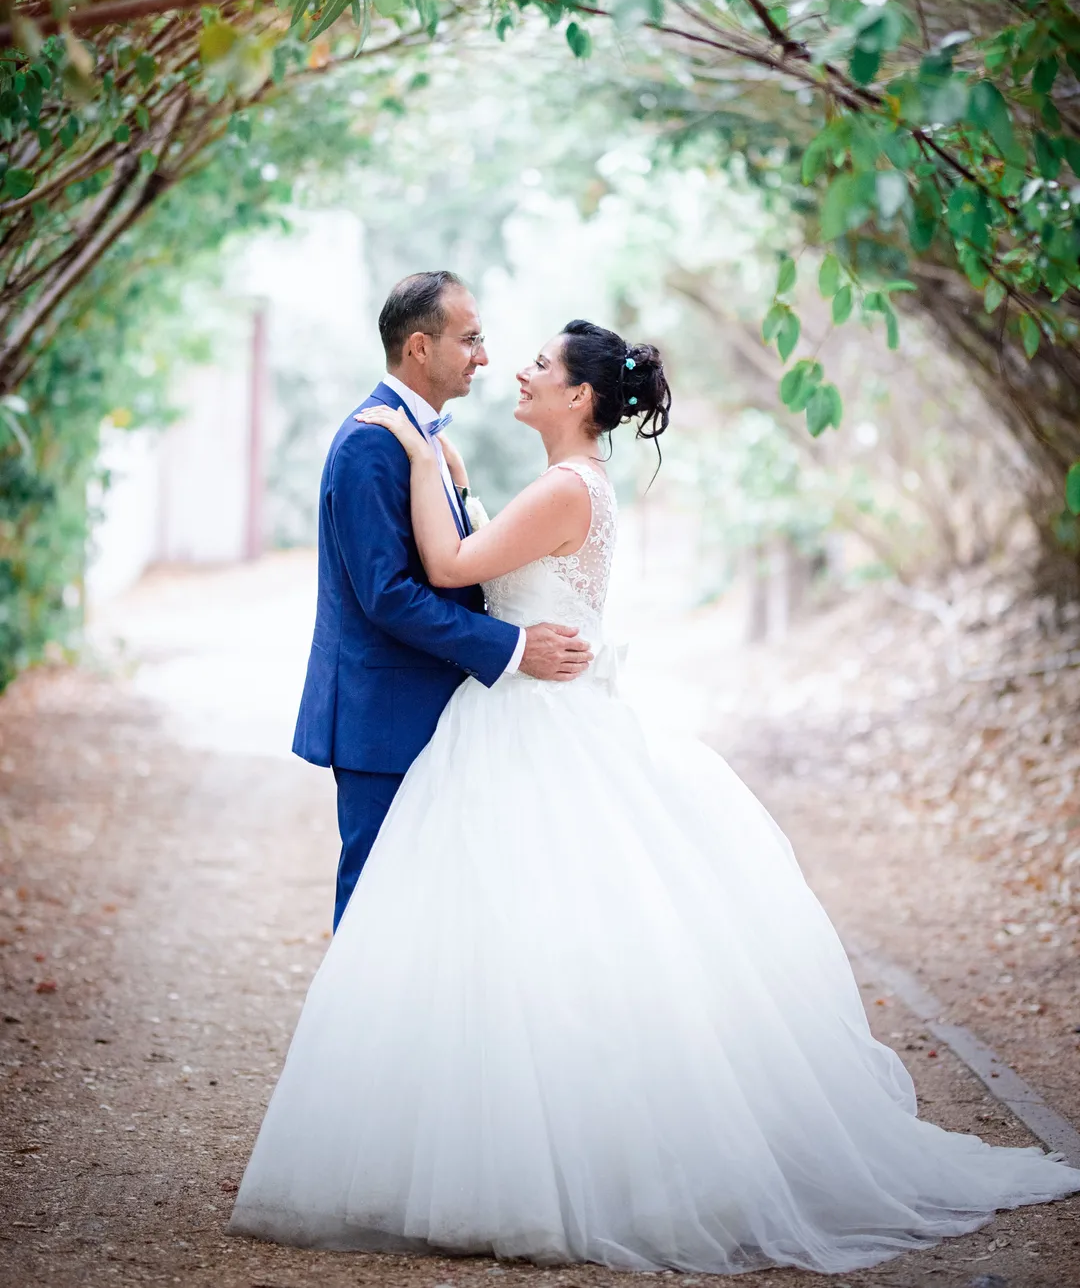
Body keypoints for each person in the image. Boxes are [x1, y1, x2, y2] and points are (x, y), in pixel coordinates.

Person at [231, 319, 1080, 1273]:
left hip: (533, 728)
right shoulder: (574, 484)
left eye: (542, 366)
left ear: (581, 398)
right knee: (527, 936)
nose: (521, 368)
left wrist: (422, 455)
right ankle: (508, 1140)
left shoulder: (563, 486)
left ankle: (548, 1156)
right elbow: (488, 573)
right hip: (530, 715)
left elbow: (448, 571)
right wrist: (453, 473)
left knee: (533, 934)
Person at [291, 270, 593, 929]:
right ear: (421, 348)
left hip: (432, 716)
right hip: (385, 721)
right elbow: (390, 597)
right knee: (375, 915)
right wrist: (515, 647)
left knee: (426, 921)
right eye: (471, 340)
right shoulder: (374, 443)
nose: (485, 357)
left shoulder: (422, 440)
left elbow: (454, 568)